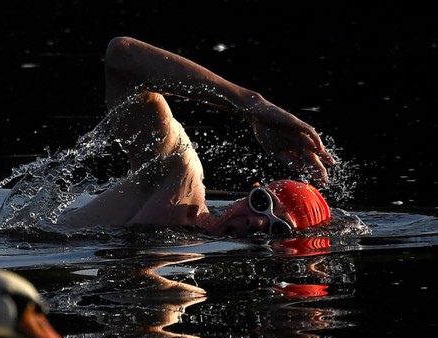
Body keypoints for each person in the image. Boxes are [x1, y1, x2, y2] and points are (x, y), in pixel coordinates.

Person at [57, 36, 336, 237]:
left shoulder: (186, 270)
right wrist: (251, 105)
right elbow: (123, 57)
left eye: (279, 228)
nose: (257, 223)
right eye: (261, 203)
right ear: (250, 191)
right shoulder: (180, 182)